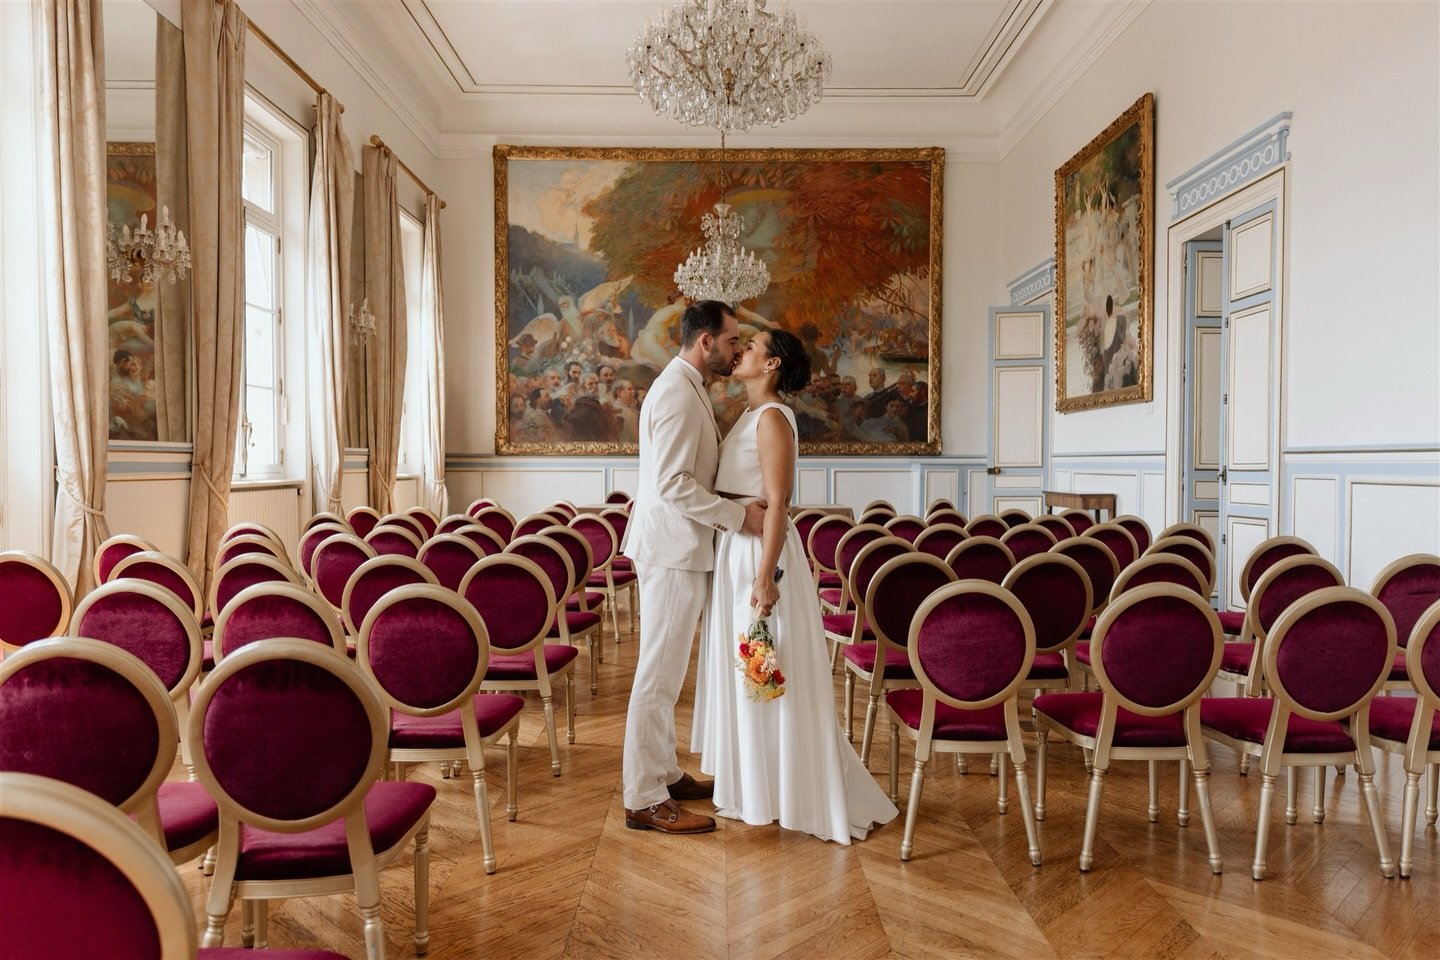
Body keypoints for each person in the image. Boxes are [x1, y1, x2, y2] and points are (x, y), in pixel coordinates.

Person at [693, 329, 898, 843]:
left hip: (761, 560)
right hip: (735, 550)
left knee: (764, 671)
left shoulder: (772, 418)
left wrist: (764, 579)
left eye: (753, 345)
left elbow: (779, 502)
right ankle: (753, 787)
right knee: (749, 672)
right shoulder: (747, 414)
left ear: (772, 364)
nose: (740, 350)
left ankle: (786, 790)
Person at [620, 300, 767, 835]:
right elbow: (674, 485)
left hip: (678, 548)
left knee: (667, 673)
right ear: (705, 341)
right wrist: (739, 517)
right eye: (731, 342)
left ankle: (662, 772)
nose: (736, 351)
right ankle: (642, 797)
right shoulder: (680, 393)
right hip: (673, 551)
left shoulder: (686, 386)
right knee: (657, 677)